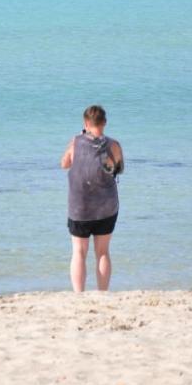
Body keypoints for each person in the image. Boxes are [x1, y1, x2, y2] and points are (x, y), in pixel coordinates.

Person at [60, 104, 124, 292]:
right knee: (103, 252)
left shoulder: (76, 142)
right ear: (104, 122)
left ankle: (79, 294)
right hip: (106, 206)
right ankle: (103, 293)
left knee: (79, 252)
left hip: (80, 206)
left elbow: (64, 164)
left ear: (86, 123)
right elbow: (118, 168)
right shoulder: (114, 145)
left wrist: (78, 139)